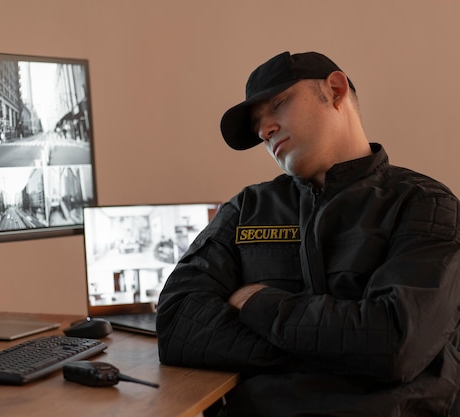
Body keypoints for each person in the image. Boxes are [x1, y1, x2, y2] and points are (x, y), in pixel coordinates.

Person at [156, 51, 460, 417]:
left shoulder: (425, 203)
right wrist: (339, 348)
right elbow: (177, 324)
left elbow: (395, 344)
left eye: (278, 104)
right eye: (257, 124)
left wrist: (257, 303)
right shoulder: (247, 209)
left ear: (335, 90)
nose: (264, 130)